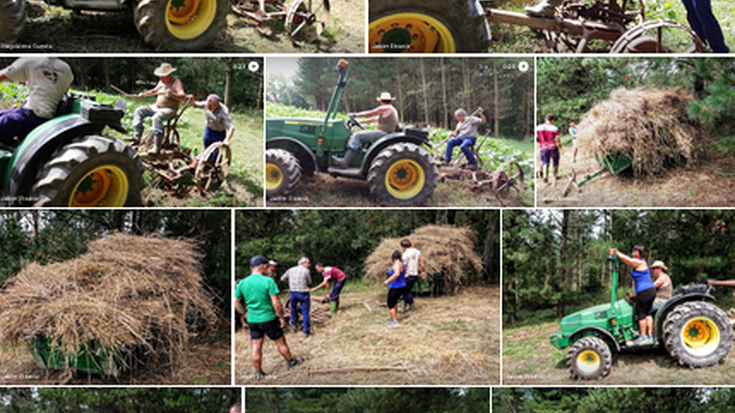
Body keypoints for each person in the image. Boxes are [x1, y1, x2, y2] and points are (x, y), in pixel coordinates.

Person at [234, 255, 303, 381]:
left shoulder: (242, 283)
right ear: (261, 266)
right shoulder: (268, 281)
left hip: (252, 320)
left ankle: (259, 372)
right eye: (266, 266)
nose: (268, 268)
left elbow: (236, 303)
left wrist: (244, 313)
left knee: (256, 345)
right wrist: (281, 317)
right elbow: (276, 303)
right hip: (269, 318)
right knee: (280, 342)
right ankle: (291, 363)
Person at [0, 57, 73, 147]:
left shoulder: (29, 60)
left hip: (33, 117)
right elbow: (65, 89)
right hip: (45, 117)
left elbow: (2, 76)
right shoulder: (66, 69)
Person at [332, 92, 399, 168]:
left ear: (381, 101)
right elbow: (375, 119)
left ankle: (345, 161)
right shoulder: (391, 109)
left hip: (383, 133)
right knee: (362, 135)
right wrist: (361, 122)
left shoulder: (385, 108)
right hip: (386, 133)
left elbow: (370, 113)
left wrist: (354, 115)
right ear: (390, 101)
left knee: (358, 136)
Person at [132, 63, 187, 155]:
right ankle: (137, 136)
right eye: (160, 77)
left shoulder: (176, 82)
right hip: (157, 107)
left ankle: (157, 147)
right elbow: (154, 91)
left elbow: (183, 96)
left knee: (157, 117)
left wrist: (173, 95)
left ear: (169, 75)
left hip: (170, 109)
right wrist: (144, 94)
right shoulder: (161, 82)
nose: (161, 79)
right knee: (139, 110)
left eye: (163, 77)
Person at [616, 245, 656, 345]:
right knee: (648, 313)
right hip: (649, 291)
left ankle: (643, 336)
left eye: (635, 252)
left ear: (641, 253)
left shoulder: (640, 262)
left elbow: (627, 260)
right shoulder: (642, 263)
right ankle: (649, 336)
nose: (633, 253)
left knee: (640, 313)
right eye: (633, 251)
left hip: (645, 291)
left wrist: (616, 252)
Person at [281, 257, 312, 337]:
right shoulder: (306, 271)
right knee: (305, 312)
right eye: (308, 263)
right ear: (303, 263)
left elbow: (282, 279)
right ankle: (306, 331)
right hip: (303, 293)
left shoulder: (291, 270)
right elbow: (309, 282)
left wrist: (289, 280)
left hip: (293, 293)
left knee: (293, 308)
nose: (309, 265)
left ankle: (293, 322)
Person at [400, 238, 426, 314]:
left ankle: (412, 308)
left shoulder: (405, 254)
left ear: (403, 247)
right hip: (415, 274)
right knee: (407, 290)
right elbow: (422, 263)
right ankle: (402, 307)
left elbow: (404, 265)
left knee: (406, 292)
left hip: (408, 275)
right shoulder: (417, 252)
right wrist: (423, 272)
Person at [384, 250, 407, 327]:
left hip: (396, 287)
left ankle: (395, 322)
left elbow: (397, 274)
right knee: (394, 303)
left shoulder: (397, 264)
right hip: (402, 286)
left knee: (390, 303)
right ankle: (393, 317)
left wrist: (387, 280)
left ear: (394, 258)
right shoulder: (402, 264)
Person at [536, 113, 561, 184]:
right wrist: (559, 145)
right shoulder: (555, 128)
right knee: (556, 160)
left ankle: (545, 176)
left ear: (545, 119)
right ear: (552, 120)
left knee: (545, 162)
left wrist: (541, 142)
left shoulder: (539, 127)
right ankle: (555, 175)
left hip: (543, 148)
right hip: (553, 147)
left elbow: (536, 139)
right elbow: (557, 139)